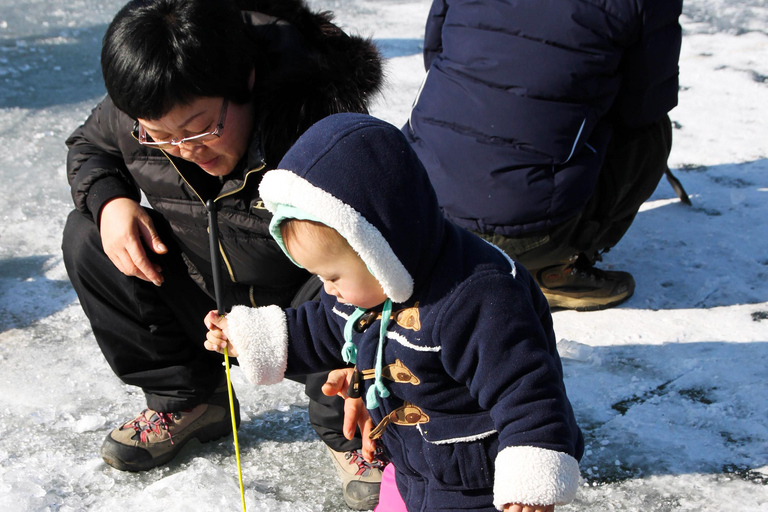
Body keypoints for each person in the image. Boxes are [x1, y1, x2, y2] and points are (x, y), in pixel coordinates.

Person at [61, 0, 386, 507]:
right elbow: (90, 147)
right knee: (87, 235)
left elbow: (387, 250)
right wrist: (112, 203)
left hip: (307, 304)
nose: (184, 147)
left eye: (198, 128)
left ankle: (352, 431)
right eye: (159, 136)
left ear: (247, 80)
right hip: (202, 289)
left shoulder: (320, 126)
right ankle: (189, 398)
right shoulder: (148, 100)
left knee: (358, 274)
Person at [204, 113, 584, 512]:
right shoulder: (375, 282)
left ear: (380, 249)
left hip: (475, 482)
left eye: (332, 276)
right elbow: (323, 324)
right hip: (409, 462)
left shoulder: (478, 298)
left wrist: (529, 483)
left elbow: (527, 391)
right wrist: (248, 335)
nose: (327, 289)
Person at [402, 0, 685, 311]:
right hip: (528, 228)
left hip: (423, 207)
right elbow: (645, 105)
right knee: (651, 132)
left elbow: (434, 52)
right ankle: (553, 266)